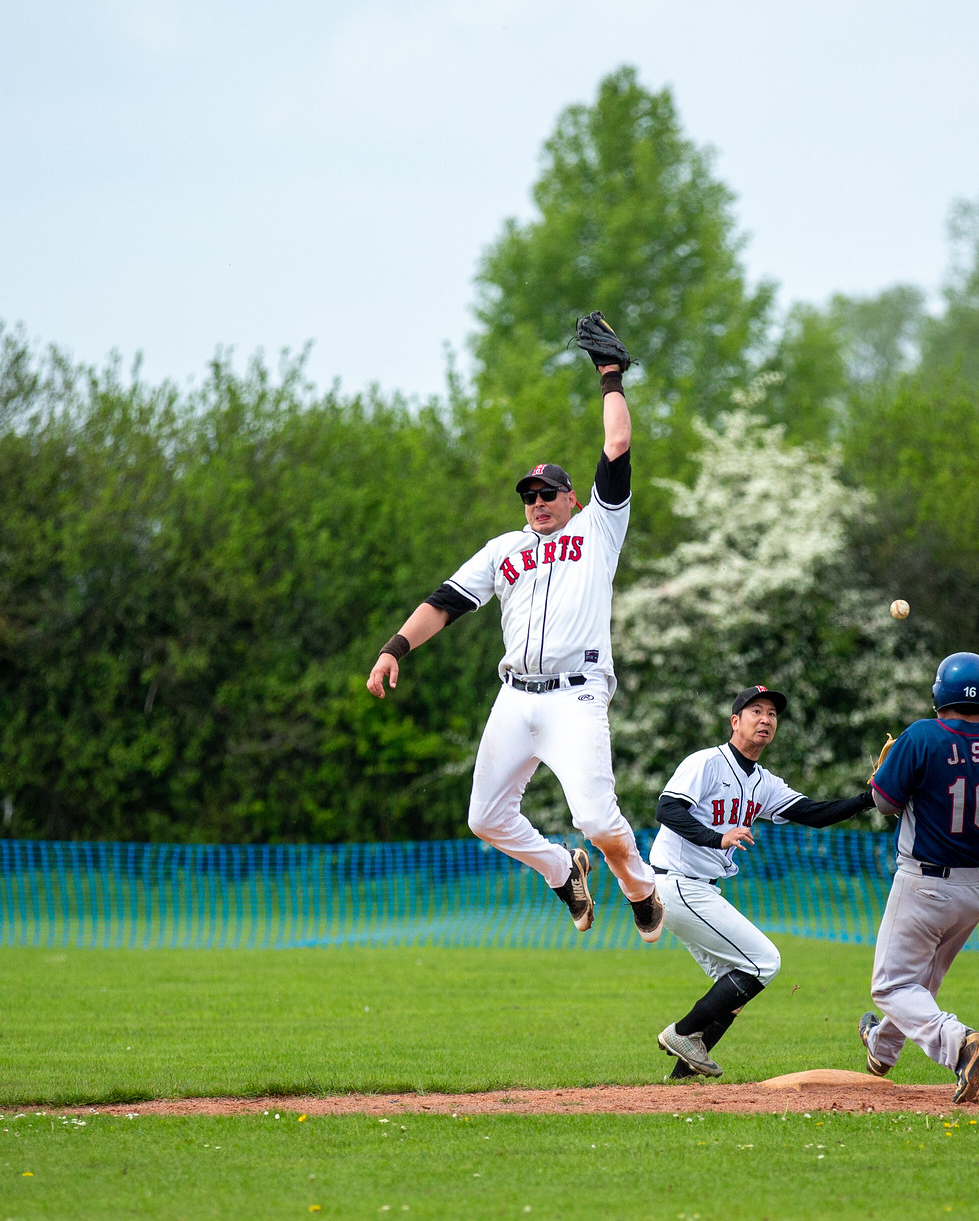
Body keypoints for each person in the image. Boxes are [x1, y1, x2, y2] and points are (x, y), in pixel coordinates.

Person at [366, 312, 663, 940]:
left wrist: (611, 378)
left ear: (571, 498)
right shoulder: (506, 548)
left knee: (599, 821)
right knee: (485, 819)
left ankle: (639, 887)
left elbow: (616, 449)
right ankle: (562, 873)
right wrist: (395, 647)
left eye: (548, 492)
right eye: (529, 495)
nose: (538, 502)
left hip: (576, 695)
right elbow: (445, 600)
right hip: (515, 696)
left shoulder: (598, 530)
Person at [650, 686, 876, 1080]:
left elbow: (814, 813)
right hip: (678, 882)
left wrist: (869, 798)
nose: (766, 719)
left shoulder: (764, 782)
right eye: (756, 710)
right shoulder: (706, 763)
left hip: (699, 888)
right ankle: (683, 1033)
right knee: (764, 961)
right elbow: (667, 809)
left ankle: (680, 1081)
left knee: (735, 981)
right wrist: (717, 837)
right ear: (735, 721)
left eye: (772, 714)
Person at [858, 652, 979, 1103]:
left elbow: (885, 803)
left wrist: (890, 779)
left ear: (939, 694)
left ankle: (958, 1043)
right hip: (976, 890)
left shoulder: (923, 735)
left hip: (923, 883)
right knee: (921, 981)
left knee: (890, 986)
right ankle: (882, 1048)